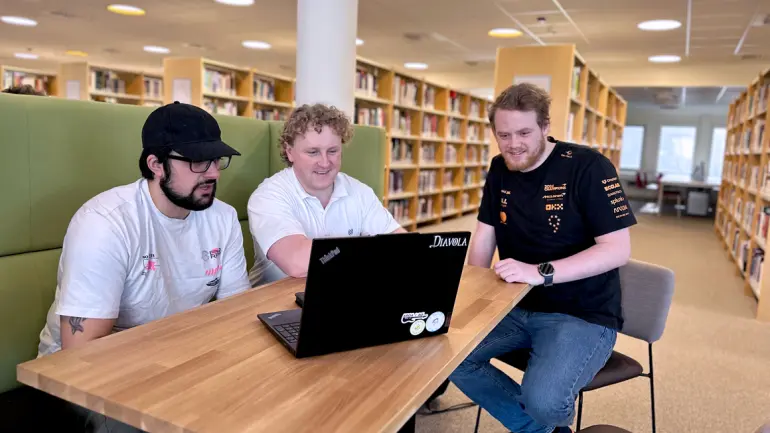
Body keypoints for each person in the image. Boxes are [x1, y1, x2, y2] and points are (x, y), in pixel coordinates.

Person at [449, 83, 636, 433]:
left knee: (545, 401)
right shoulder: (500, 167)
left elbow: (617, 250)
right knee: (446, 357)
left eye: (524, 132)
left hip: (582, 313)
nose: (513, 144)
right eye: (503, 135)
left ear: (546, 126)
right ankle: (538, 430)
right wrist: (468, 296)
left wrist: (539, 272)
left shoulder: (589, 167)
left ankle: (541, 422)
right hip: (513, 304)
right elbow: (484, 238)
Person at [37, 101, 251, 359]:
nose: (214, 173)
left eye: (216, 160)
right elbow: (82, 353)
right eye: (198, 162)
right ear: (156, 164)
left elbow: (236, 315)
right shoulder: (104, 224)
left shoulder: (223, 218)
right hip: (82, 378)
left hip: (178, 358)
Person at [246, 103, 404, 286]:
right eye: (313, 152)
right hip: (273, 303)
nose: (324, 162)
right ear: (290, 152)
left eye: (333, 151)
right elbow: (296, 262)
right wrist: (375, 248)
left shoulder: (359, 191)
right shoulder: (268, 196)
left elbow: (406, 247)